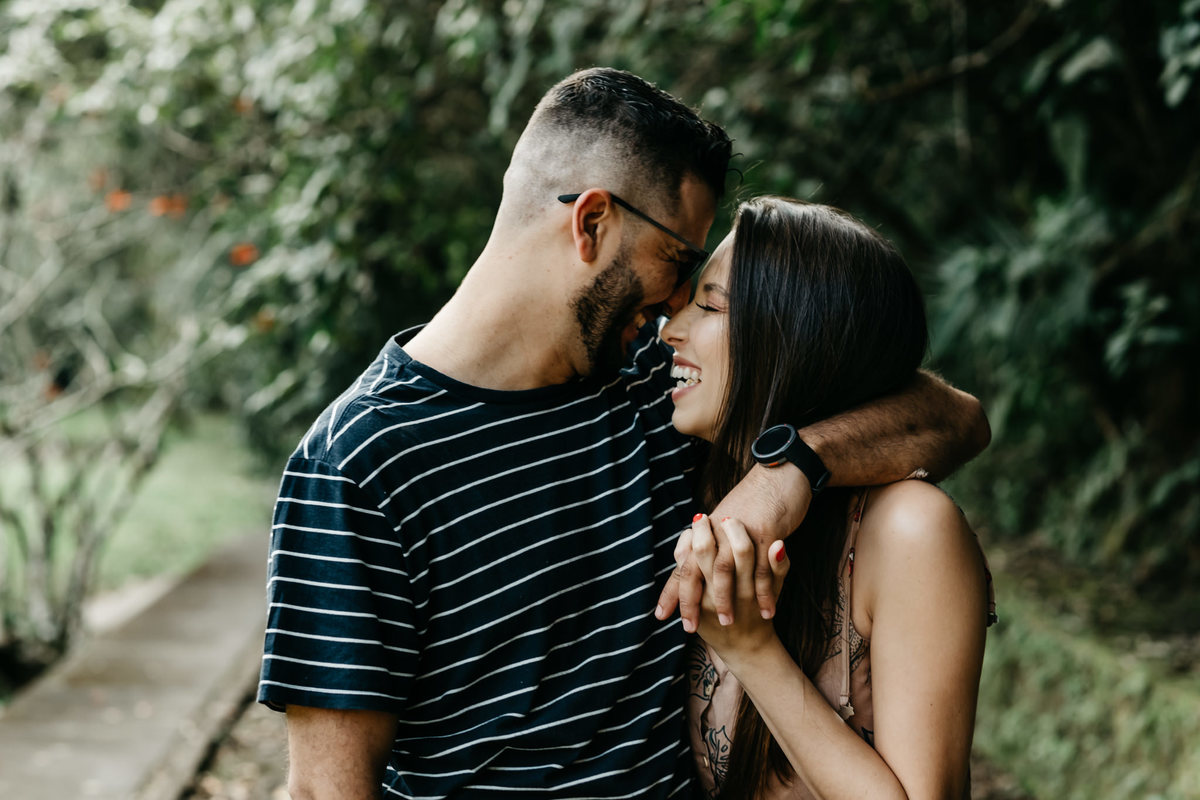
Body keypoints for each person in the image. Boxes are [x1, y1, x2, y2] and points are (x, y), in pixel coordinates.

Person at [258, 68, 990, 800]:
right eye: (677, 261)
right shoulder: (358, 464)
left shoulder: (653, 384)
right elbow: (327, 791)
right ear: (592, 223)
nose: (677, 305)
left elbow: (951, 415)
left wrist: (787, 473)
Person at [661, 196, 996, 799]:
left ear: (796, 341)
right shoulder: (693, 472)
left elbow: (965, 417)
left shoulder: (910, 530)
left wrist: (751, 650)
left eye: (710, 305)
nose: (669, 331)